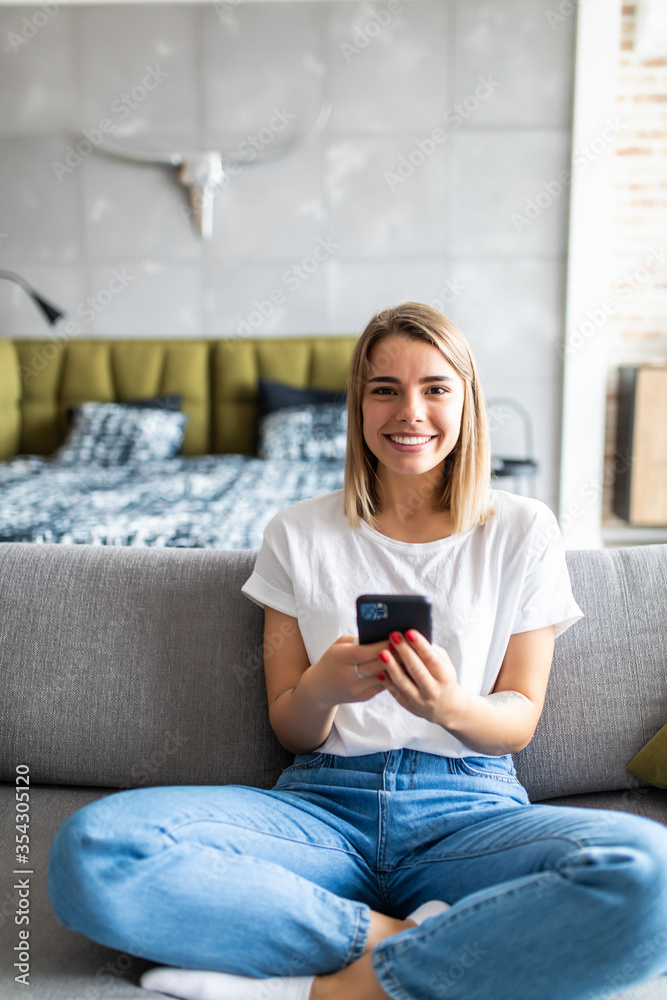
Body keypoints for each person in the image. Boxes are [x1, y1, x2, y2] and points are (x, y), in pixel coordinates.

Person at [47, 302, 667, 1000]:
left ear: (467, 401)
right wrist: (324, 688)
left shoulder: (522, 529)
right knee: (95, 851)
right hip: (320, 807)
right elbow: (290, 723)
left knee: (651, 874)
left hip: (469, 808)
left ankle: (321, 988)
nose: (410, 411)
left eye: (435, 388)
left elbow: (518, 716)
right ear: (357, 404)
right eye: (384, 389)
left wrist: (449, 704)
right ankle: (409, 944)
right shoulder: (295, 532)